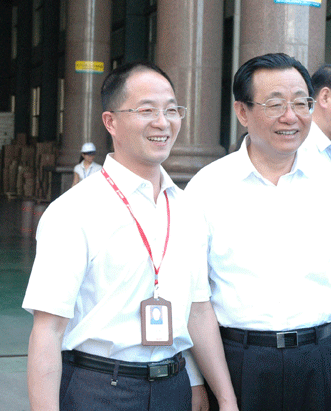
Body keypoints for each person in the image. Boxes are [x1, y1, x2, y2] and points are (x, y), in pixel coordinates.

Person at [22, 62, 238, 411]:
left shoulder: (187, 210)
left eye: (171, 110)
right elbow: (48, 332)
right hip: (100, 389)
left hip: (172, 388)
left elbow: (198, 312)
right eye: (147, 110)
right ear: (111, 122)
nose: (162, 122)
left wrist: (225, 398)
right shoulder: (73, 211)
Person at [185, 53, 331, 411]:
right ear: (242, 112)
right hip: (237, 364)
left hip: (319, 360)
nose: (290, 117)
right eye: (275, 104)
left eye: (301, 103)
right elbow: (192, 298)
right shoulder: (208, 187)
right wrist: (197, 381)